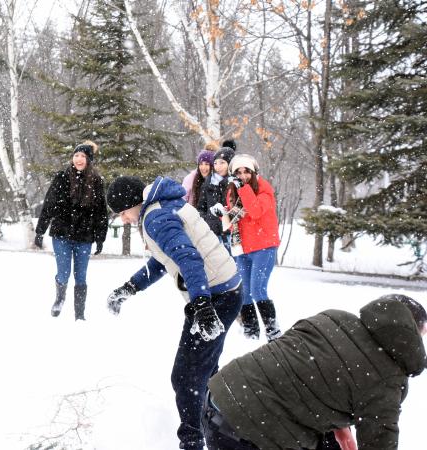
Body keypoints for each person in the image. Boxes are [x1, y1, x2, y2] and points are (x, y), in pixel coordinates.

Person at [104, 175, 242, 450]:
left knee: (186, 376)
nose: (124, 219)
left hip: (215, 296)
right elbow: (163, 258)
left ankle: (193, 441)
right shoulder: (163, 206)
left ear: (132, 204)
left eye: (122, 213)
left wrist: (201, 305)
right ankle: (220, 428)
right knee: (205, 371)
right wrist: (131, 287)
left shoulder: (155, 217)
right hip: (224, 291)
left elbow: (188, 257)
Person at [204, 294, 427, 450]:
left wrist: (340, 427)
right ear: (413, 334)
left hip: (220, 396)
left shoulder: (334, 318)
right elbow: (379, 443)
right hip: (253, 432)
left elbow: (297, 366)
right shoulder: (387, 380)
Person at [33, 141, 108, 320]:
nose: (79, 159)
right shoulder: (62, 177)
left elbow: (101, 211)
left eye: (83, 156)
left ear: (89, 160)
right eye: (76, 155)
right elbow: (49, 204)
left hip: (85, 237)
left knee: (81, 277)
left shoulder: (96, 181)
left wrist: (100, 237)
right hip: (62, 234)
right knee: (64, 273)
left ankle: (79, 315)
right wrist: (40, 231)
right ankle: (60, 299)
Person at [224, 153, 281, 341]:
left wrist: (243, 188)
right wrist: (222, 214)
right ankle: (250, 334)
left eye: (246, 171)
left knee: (258, 290)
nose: (243, 176)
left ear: (254, 172)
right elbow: (234, 221)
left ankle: (273, 333)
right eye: (238, 173)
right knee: (244, 293)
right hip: (242, 249)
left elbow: (255, 211)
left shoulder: (264, 190)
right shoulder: (232, 192)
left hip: (264, 247)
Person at [198, 146, 235, 252]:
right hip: (212, 234)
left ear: (230, 163)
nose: (218, 167)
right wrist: (207, 221)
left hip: (231, 234)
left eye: (222, 163)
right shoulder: (208, 182)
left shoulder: (235, 183)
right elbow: (201, 208)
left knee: (232, 261)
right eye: (215, 163)